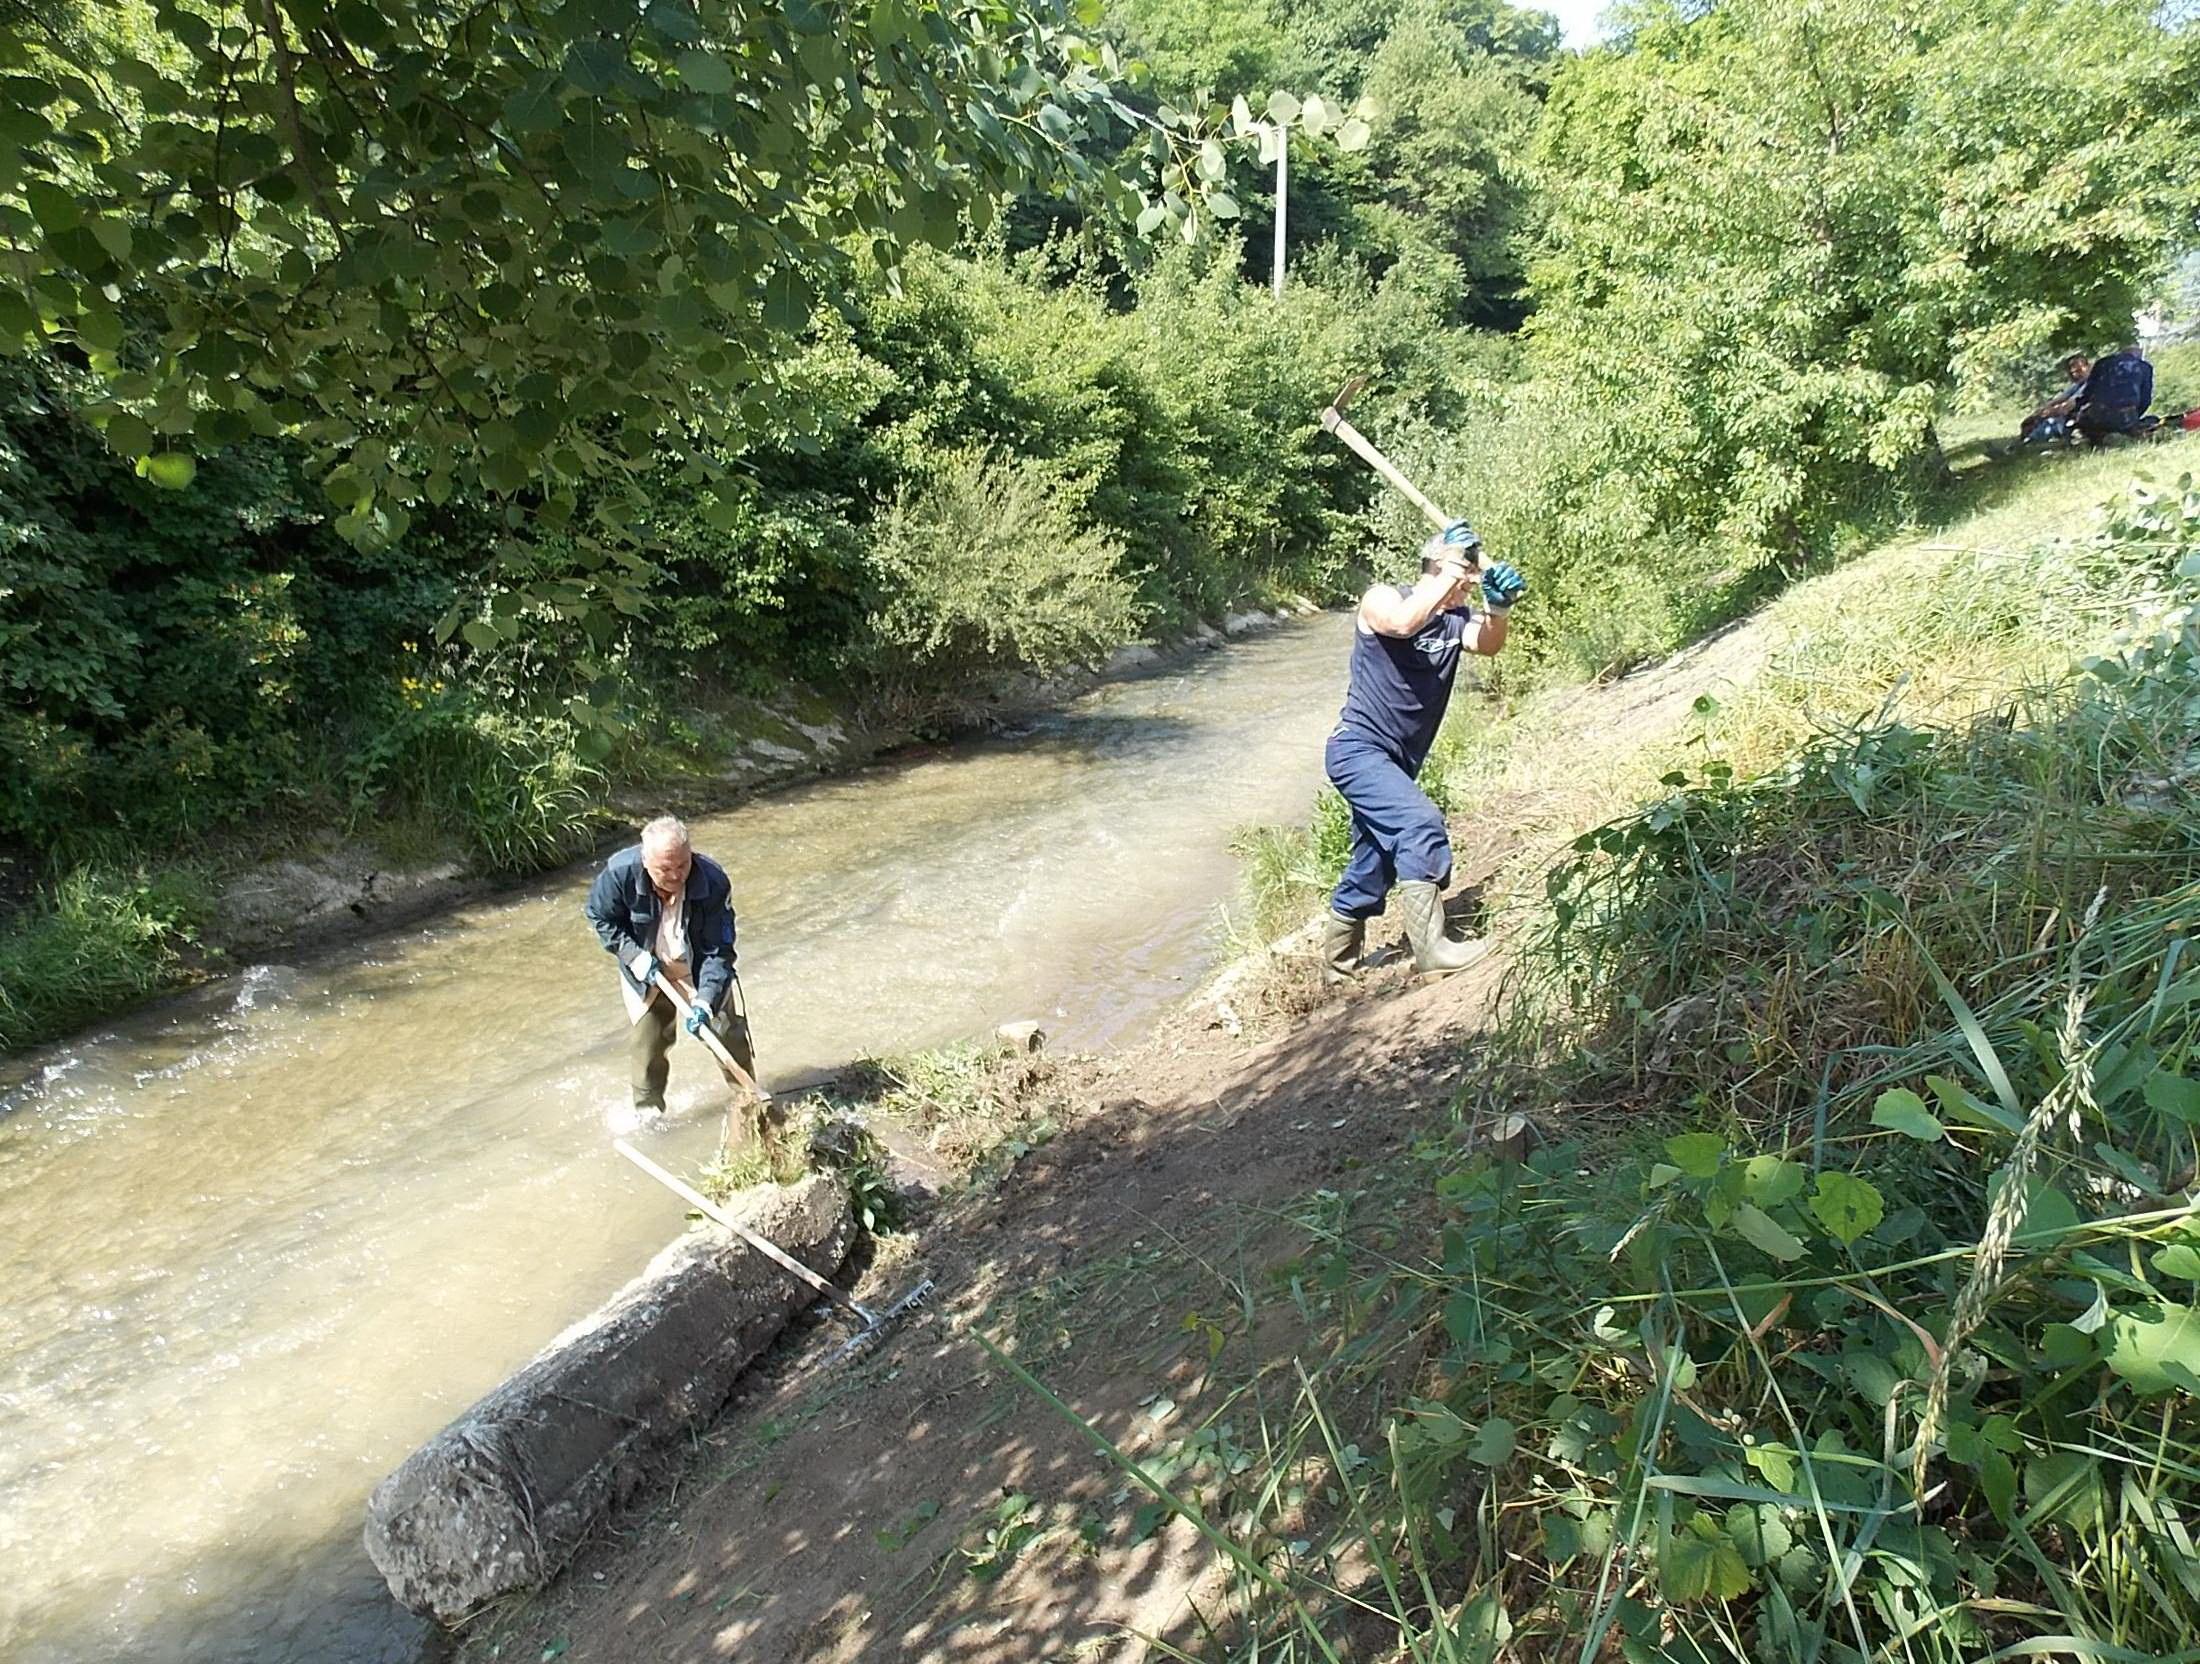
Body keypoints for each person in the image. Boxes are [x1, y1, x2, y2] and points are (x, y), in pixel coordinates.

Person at [1321, 520, 1527, 983]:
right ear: (1435, 569)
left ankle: (1337, 970)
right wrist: (1452, 573)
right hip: (1357, 749)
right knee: (1420, 823)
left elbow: (1489, 644)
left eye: (1469, 582)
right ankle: (1431, 951)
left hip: (1398, 761)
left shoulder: (1456, 621)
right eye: (1460, 578)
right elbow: (1401, 623)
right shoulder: (1384, 598)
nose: (1464, 589)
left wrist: (1498, 608)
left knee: (1373, 862)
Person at [583, 815, 755, 1116]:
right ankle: (648, 1114)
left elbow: (718, 951)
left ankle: (750, 1102)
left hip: (696, 965)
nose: (676, 876)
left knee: (724, 1032)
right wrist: (633, 955)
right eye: (665, 868)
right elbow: (600, 918)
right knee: (648, 1042)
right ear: (645, 861)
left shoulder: (712, 882)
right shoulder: (618, 874)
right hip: (645, 964)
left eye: (683, 865)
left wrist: (705, 1001)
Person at [2071, 345, 2155, 442]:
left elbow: (2087, 393)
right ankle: (2120, 434)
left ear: (2122, 351)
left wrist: (2076, 411)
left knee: (2084, 422)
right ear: (2140, 352)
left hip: (2098, 415)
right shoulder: (2145, 367)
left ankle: (2099, 437)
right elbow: (2146, 400)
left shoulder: (2103, 363)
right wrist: (2134, 415)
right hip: (2126, 416)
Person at [2019, 353, 2090, 444]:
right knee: (2035, 421)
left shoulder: (2090, 384)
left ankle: (2030, 441)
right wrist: (2043, 409)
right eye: (2073, 373)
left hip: (2077, 417)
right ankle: (2028, 439)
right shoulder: (2078, 385)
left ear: (2087, 367)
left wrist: (2051, 411)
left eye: (2079, 370)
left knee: (2050, 423)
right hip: (2066, 417)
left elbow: (2069, 405)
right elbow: (2062, 398)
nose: (2076, 375)